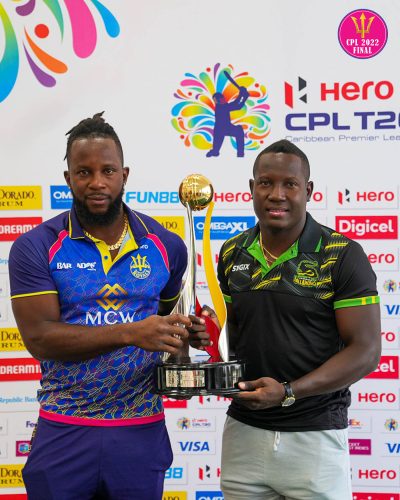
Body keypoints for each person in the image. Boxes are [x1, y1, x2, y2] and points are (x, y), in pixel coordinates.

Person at [9, 112, 210, 500]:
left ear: (125, 175)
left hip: (140, 428)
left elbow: (172, 332)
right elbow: (41, 339)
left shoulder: (166, 245)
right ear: (68, 178)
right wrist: (132, 332)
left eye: (108, 171)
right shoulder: (35, 246)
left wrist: (189, 336)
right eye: (84, 173)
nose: (97, 183)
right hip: (66, 425)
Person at [216, 139, 381, 499]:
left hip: (315, 437)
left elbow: (366, 351)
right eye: (265, 183)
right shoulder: (232, 252)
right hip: (243, 433)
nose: (276, 194)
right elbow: (231, 334)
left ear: (307, 190)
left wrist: (288, 393)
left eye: (289, 184)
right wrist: (204, 336)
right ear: (251, 189)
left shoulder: (341, 254)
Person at [206, 85, 249, 158]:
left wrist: (243, 95)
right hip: (220, 130)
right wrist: (243, 95)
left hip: (227, 127)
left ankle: (240, 154)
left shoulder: (223, 105)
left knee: (239, 130)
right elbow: (237, 106)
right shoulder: (220, 107)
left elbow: (236, 104)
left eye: (217, 99)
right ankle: (214, 151)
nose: (216, 101)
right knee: (216, 151)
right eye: (216, 100)